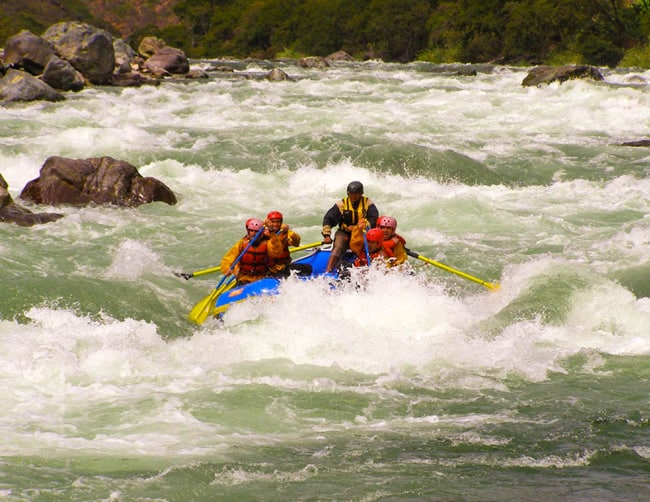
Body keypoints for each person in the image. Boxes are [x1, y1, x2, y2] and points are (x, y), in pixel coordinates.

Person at [321, 181, 379, 273]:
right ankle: (328, 271)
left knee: (372, 246)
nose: (353, 196)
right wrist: (327, 235)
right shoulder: (341, 204)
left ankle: (370, 268)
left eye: (356, 194)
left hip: (362, 233)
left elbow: (374, 219)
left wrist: (361, 227)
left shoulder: (368, 203)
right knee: (338, 247)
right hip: (344, 233)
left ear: (361, 194)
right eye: (351, 194)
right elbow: (328, 219)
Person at [220, 217, 283, 285]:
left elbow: (276, 252)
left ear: (262, 233)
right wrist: (227, 269)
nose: (254, 233)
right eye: (251, 231)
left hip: (263, 277)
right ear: (248, 232)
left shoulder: (268, 243)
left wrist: (272, 232)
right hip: (245, 278)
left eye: (256, 231)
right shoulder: (242, 243)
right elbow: (228, 258)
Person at [265, 210, 312, 277]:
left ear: (281, 223)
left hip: (284, 266)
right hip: (271, 269)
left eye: (278, 222)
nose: (275, 224)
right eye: (273, 222)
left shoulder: (285, 233)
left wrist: (289, 232)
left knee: (308, 268)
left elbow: (296, 243)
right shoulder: (264, 234)